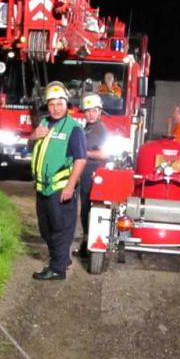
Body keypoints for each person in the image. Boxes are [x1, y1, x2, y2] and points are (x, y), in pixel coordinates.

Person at [28, 81, 87, 280]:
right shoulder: (43, 123)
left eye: (59, 104)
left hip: (60, 188)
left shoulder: (74, 128)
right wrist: (33, 136)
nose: (55, 108)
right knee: (45, 229)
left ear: (66, 104)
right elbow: (32, 147)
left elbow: (80, 159)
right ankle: (61, 258)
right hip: (42, 187)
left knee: (60, 229)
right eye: (52, 104)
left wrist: (70, 186)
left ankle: (57, 269)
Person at [74, 93, 108, 258]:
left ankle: (89, 245)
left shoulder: (100, 129)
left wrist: (81, 153)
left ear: (100, 111)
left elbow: (103, 154)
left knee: (89, 209)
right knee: (85, 210)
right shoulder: (88, 127)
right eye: (87, 111)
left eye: (94, 110)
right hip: (86, 171)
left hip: (94, 173)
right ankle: (86, 243)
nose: (90, 114)